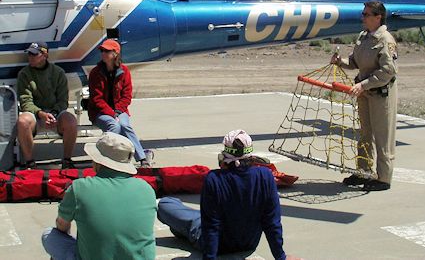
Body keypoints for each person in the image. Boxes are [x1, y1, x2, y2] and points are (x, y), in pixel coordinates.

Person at [158, 130, 300, 260]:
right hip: (249, 243)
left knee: (166, 204)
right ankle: (181, 230)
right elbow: (272, 222)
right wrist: (281, 257)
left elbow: (211, 226)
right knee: (188, 222)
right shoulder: (265, 177)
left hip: (215, 243)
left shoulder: (214, 179)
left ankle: (183, 229)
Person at [41, 132, 157, 260]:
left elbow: (62, 226)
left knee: (49, 235)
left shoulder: (79, 188)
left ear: (98, 161)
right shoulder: (146, 189)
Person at [331, 0, 398, 191]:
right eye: (363, 13)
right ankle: (364, 171)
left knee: (383, 136)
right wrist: (340, 62)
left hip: (381, 94)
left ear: (378, 17)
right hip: (364, 92)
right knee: (365, 134)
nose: (363, 17)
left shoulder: (385, 40)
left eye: (367, 14)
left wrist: (364, 84)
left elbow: (388, 71)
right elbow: (355, 61)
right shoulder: (364, 37)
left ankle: (384, 178)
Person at [88, 39, 152, 167]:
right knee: (114, 126)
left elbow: (126, 96)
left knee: (124, 125)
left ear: (115, 53)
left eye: (107, 51)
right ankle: (107, 158)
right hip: (100, 112)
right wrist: (112, 114)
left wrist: (117, 112)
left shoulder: (124, 72)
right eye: (102, 51)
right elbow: (96, 99)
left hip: (120, 110)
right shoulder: (95, 72)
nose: (103, 53)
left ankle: (141, 158)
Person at [16, 42, 77, 169]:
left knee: (71, 120)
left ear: (45, 55)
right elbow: (25, 101)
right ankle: (30, 163)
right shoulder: (24, 74)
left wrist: (53, 114)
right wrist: (41, 114)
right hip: (35, 115)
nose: (30, 57)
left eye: (34, 54)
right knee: (22, 121)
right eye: (29, 54)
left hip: (54, 114)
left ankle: (67, 160)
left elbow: (63, 100)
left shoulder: (58, 72)